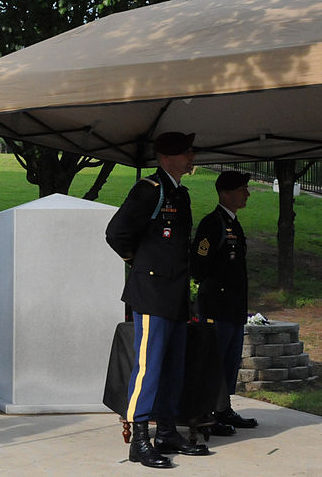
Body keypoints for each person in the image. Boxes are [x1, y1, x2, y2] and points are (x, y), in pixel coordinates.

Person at [106, 131, 210, 469]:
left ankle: (167, 432)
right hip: (152, 292)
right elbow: (116, 232)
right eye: (186, 152)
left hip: (176, 294)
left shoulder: (180, 193)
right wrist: (141, 264)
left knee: (172, 366)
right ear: (167, 156)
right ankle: (140, 440)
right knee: (148, 367)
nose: (192, 156)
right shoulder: (148, 190)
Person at [191, 171, 259, 434]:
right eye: (243, 189)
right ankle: (208, 412)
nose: (247, 194)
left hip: (233, 308)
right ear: (226, 193)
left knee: (230, 361)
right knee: (214, 361)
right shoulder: (212, 224)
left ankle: (223, 408)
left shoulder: (233, 224)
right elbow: (199, 261)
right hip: (216, 308)